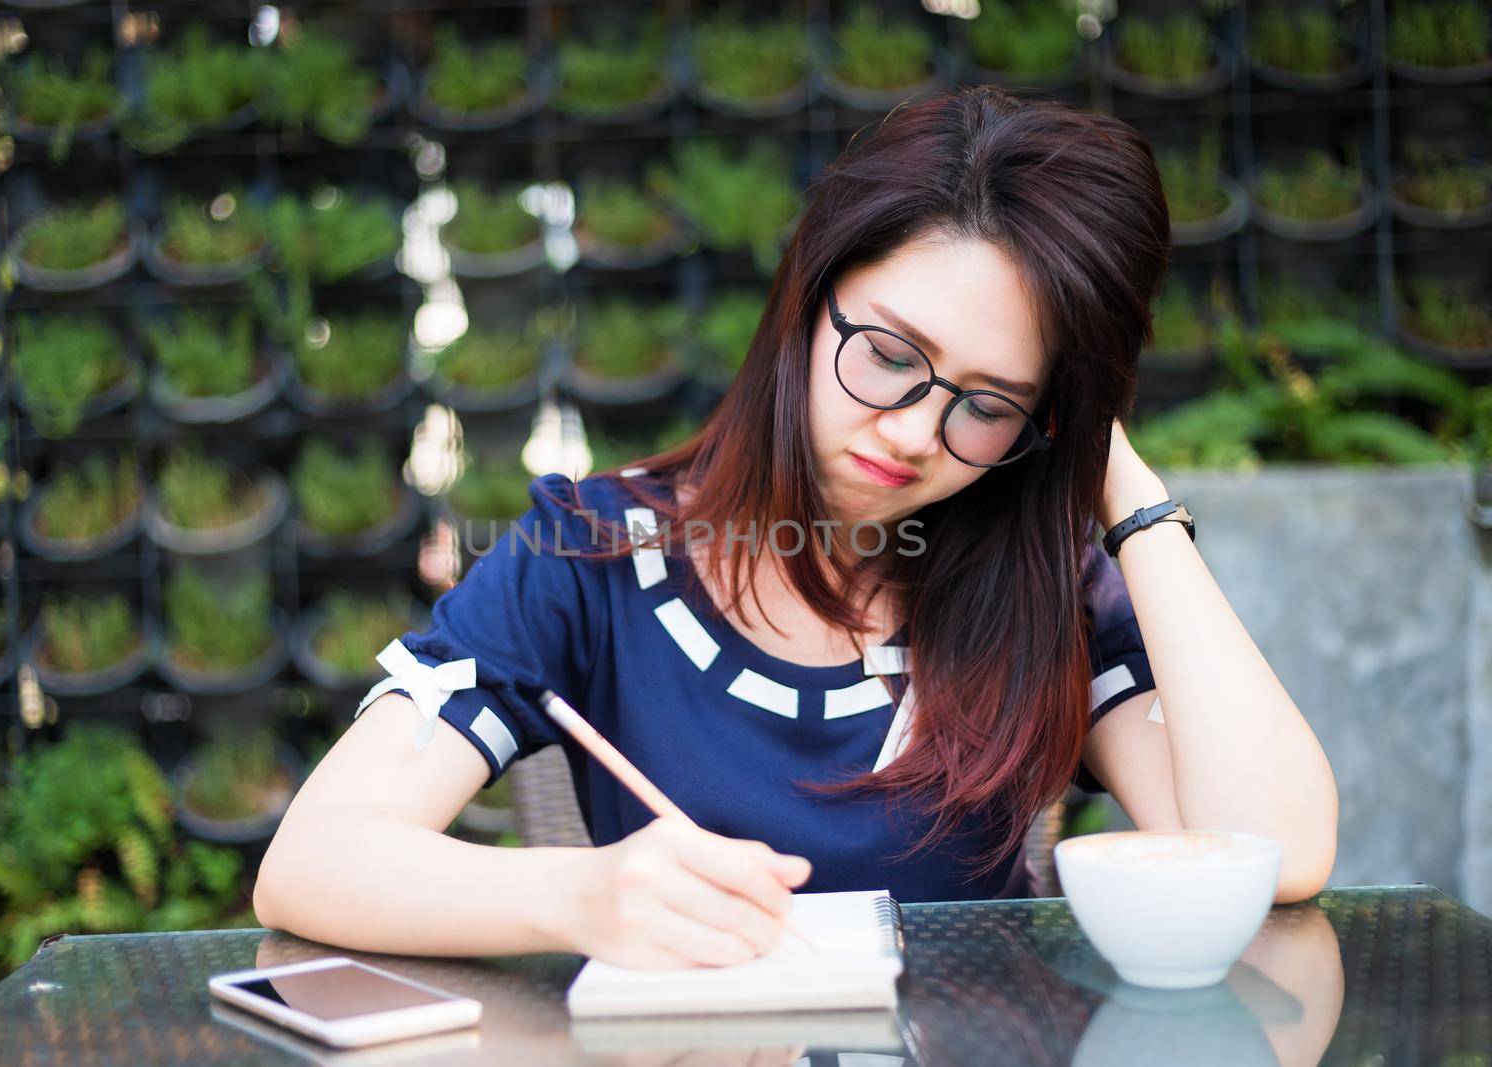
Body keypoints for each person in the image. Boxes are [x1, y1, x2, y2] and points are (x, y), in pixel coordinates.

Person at [255, 85, 1339, 970]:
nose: (913, 431)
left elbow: (1275, 855)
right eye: (888, 353)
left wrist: (1129, 494)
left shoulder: (1042, 589)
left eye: (985, 401)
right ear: (807, 295)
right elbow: (312, 859)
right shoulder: (589, 554)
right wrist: (578, 895)